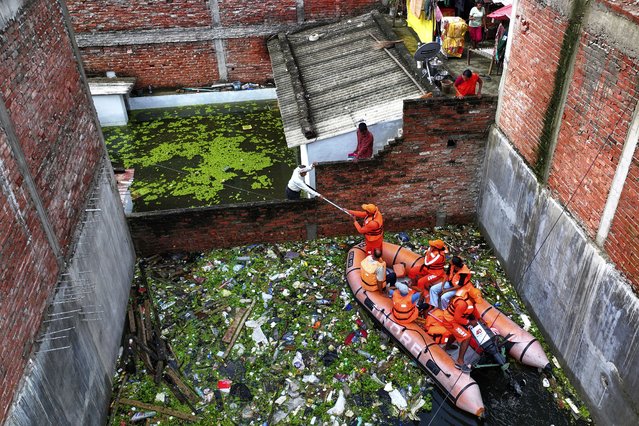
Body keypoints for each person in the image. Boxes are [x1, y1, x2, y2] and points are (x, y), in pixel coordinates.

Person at [442, 285, 483, 372]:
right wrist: (469, 322)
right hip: (449, 320)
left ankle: (447, 347)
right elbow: (457, 318)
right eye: (475, 300)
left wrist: (479, 319)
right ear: (471, 297)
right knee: (466, 337)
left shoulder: (471, 302)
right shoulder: (462, 304)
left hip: (454, 320)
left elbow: (473, 310)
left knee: (455, 333)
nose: (476, 302)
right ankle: (459, 361)